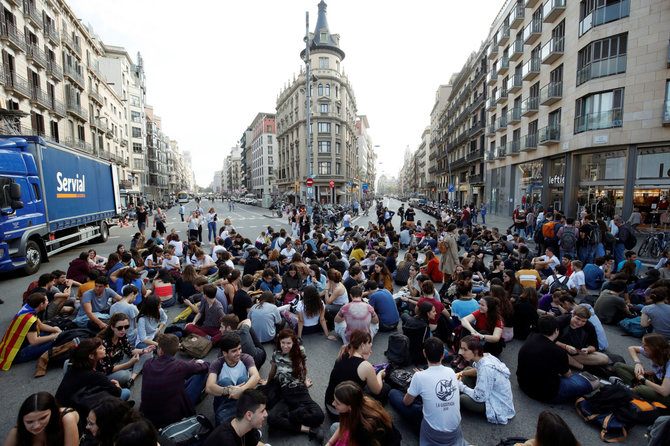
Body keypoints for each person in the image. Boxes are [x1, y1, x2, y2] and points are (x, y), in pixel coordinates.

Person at [389, 337, 465, 445]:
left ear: (424, 353)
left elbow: (406, 402)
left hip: (433, 435)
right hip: (455, 433)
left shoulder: (419, 377)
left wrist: (417, 382)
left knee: (393, 394)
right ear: (443, 355)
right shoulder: (451, 372)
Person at [517, 316, 598, 403]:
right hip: (547, 394)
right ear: (556, 331)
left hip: (523, 383)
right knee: (595, 381)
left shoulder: (531, 337)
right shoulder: (558, 352)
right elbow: (567, 374)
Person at [263, 329, 325, 440]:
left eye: (288, 343)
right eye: (283, 343)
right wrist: (267, 383)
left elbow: (302, 367)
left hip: (301, 391)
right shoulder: (276, 354)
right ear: (279, 342)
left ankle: (288, 418)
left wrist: (303, 381)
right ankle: (307, 429)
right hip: (286, 393)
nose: (285, 346)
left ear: (294, 343)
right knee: (272, 418)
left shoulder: (301, 351)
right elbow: (272, 372)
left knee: (319, 416)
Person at [140, 334, 210, 429]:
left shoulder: (148, 363)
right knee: (201, 375)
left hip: (148, 415)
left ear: (160, 350)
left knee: (180, 379)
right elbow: (205, 367)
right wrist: (202, 363)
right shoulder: (179, 365)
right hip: (173, 417)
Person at [324, 330, 389, 416]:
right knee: (385, 388)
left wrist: (364, 359)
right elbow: (377, 391)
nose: (371, 345)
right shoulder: (366, 366)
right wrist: (380, 375)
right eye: (369, 343)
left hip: (330, 405)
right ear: (362, 345)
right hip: (343, 413)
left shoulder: (343, 352)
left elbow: (351, 371)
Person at [55, 338, 129, 411]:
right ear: (91, 356)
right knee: (126, 392)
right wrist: (118, 387)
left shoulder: (74, 368)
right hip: (77, 411)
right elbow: (117, 392)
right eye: (100, 348)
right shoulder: (94, 375)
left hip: (63, 406)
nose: (104, 348)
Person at [457, 335, 515, 424]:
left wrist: (461, 387)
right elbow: (477, 371)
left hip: (495, 402)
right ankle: (460, 388)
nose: (461, 352)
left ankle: (458, 390)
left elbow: (479, 397)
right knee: (467, 370)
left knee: (463, 399)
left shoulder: (486, 369)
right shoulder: (485, 356)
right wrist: (461, 373)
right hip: (491, 390)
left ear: (475, 351)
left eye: (465, 350)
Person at [206, 333, 261, 425]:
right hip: (224, 402)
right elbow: (209, 387)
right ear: (224, 353)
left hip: (241, 399)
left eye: (239, 348)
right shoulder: (217, 363)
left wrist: (240, 390)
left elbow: (256, 376)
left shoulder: (246, 358)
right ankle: (231, 417)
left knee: (243, 380)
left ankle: (238, 416)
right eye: (234, 351)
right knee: (225, 382)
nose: (239, 353)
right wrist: (229, 390)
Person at [326, 381, 400, 446]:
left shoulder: (364, 430)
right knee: (335, 427)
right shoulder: (361, 402)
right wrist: (329, 443)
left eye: (338, 403)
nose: (333, 403)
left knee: (334, 428)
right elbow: (344, 424)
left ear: (350, 407)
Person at [0, 293, 62, 370]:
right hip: (17, 354)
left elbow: (41, 326)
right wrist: (53, 336)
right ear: (41, 304)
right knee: (56, 340)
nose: (48, 303)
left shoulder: (27, 309)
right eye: (46, 301)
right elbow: (34, 341)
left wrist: (55, 329)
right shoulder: (30, 320)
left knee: (53, 333)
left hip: (9, 348)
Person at [3, 391, 79, 446]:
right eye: (29, 422)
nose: (36, 425)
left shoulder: (67, 418)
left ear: (53, 412)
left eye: (43, 418)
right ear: (22, 420)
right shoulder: (17, 432)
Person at [614, 333, 670, 405]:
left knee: (641, 389)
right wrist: (638, 363)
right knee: (619, 366)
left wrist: (642, 379)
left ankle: (630, 390)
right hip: (657, 381)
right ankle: (636, 389)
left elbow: (664, 391)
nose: (642, 347)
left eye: (645, 345)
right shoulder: (655, 351)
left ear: (654, 348)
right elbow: (632, 348)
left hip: (666, 394)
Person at [97, 313, 148, 388]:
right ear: (112, 327)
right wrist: (129, 363)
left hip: (120, 360)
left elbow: (129, 350)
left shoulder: (121, 335)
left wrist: (143, 350)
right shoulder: (103, 343)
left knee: (147, 353)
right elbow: (108, 369)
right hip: (108, 371)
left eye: (126, 327)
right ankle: (135, 370)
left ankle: (132, 378)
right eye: (120, 328)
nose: (123, 330)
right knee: (125, 375)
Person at [203, 389, 269, 446]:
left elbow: (255, 444)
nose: (266, 414)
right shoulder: (226, 441)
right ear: (249, 415)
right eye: (262, 411)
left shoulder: (247, 426)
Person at [555, 305, 610, 370]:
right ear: (573, 314)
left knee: (605, 359)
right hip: (559, 349)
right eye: (577, 319)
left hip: (577, 352)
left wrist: (588, 349)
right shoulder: (560, 321)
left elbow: (594, 345)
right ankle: (582, 367)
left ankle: (572, 362)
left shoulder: (589, 326)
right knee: (559, 353)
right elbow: (549, 340)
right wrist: (566, 346)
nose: (579, 323)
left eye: (583, 321)